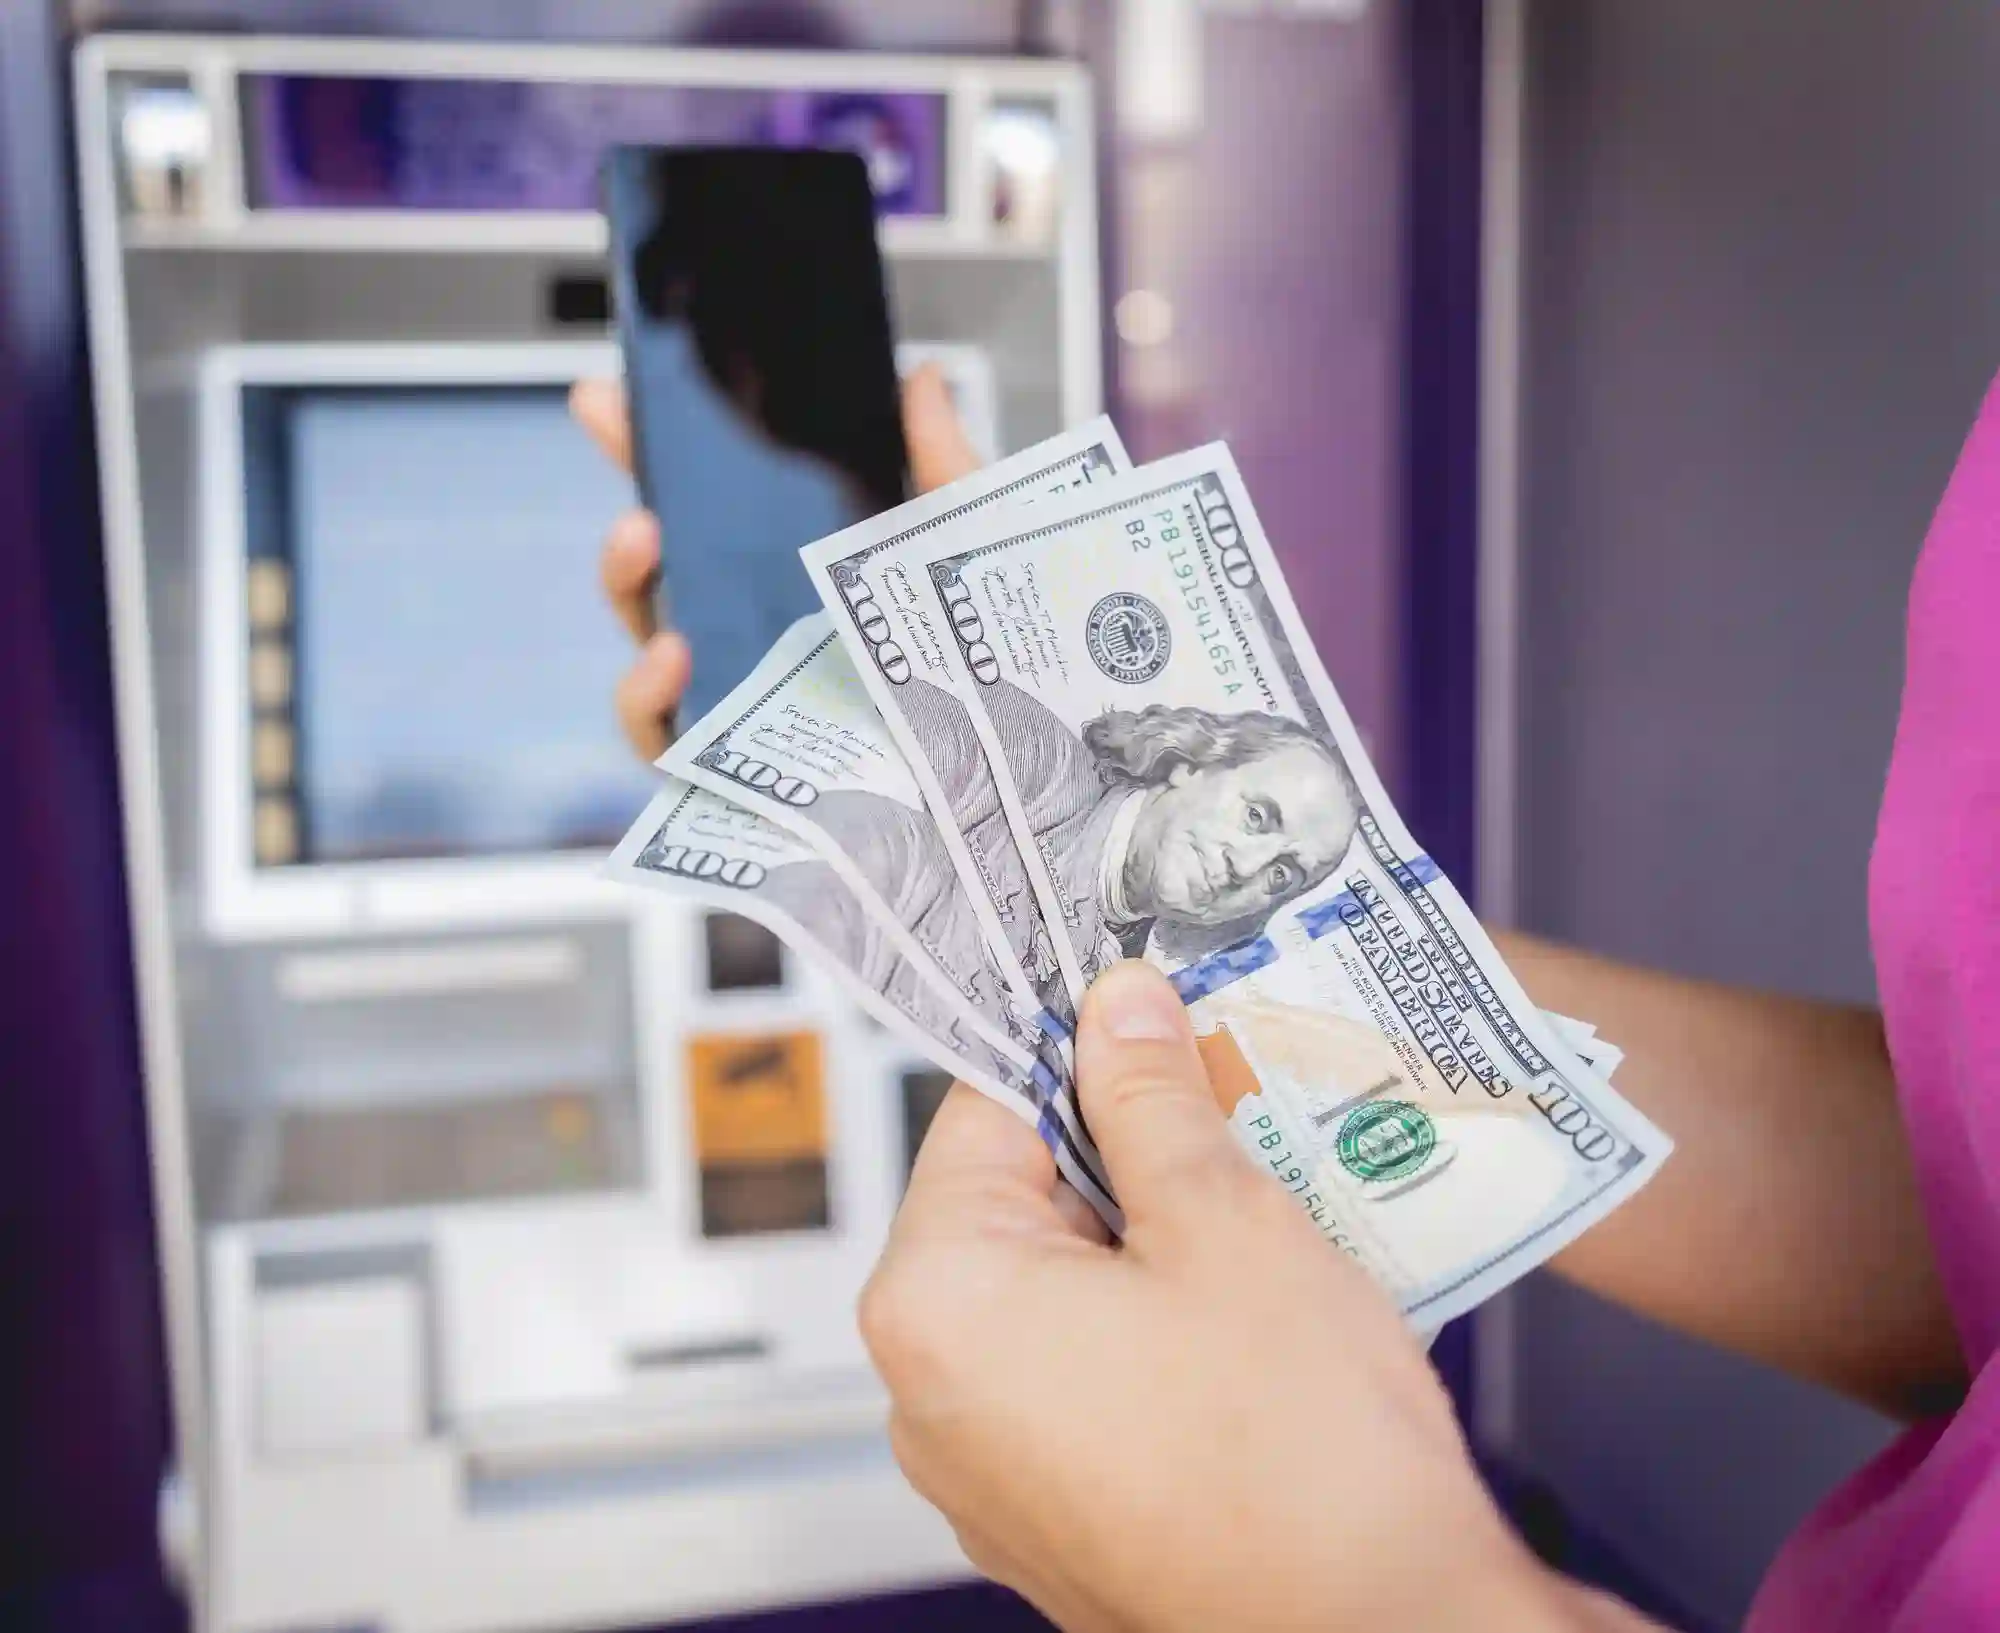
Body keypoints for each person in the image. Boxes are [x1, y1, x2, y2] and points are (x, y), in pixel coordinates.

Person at [573, 364, 1997, 1630]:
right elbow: (1966, 1195)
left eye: (1288, 860)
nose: (1260, 859)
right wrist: (855, 778)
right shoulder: (1048, 790)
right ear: (1192, 761)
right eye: (1264, 821)